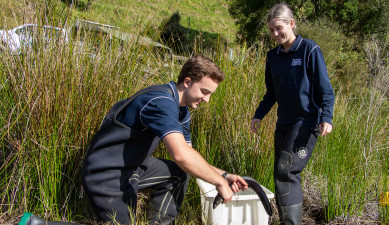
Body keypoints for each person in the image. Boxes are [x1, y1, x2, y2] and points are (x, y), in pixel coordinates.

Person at [81, 55, 248, 225]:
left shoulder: (181, 111)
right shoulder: (160, 102)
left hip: (133, 168)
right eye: (205, 92)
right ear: (188, 82)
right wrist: (219, 183)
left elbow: (188, 156)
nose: (207, 99)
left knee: (179, 173)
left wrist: (224, 175)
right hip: (106, 174)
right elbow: (180, 155)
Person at [250, 3, 335, 225]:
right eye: (271, 30)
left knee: (286, 170)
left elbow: (325, 88)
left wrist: (327, 117)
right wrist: (259, 114)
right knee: (280, 174)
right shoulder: (272, 57)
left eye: (279, 28)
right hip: (283, 123)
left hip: (306, 122)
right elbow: (272, 93)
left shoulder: (309, 49)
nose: (275, 34)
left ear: (292, 23)